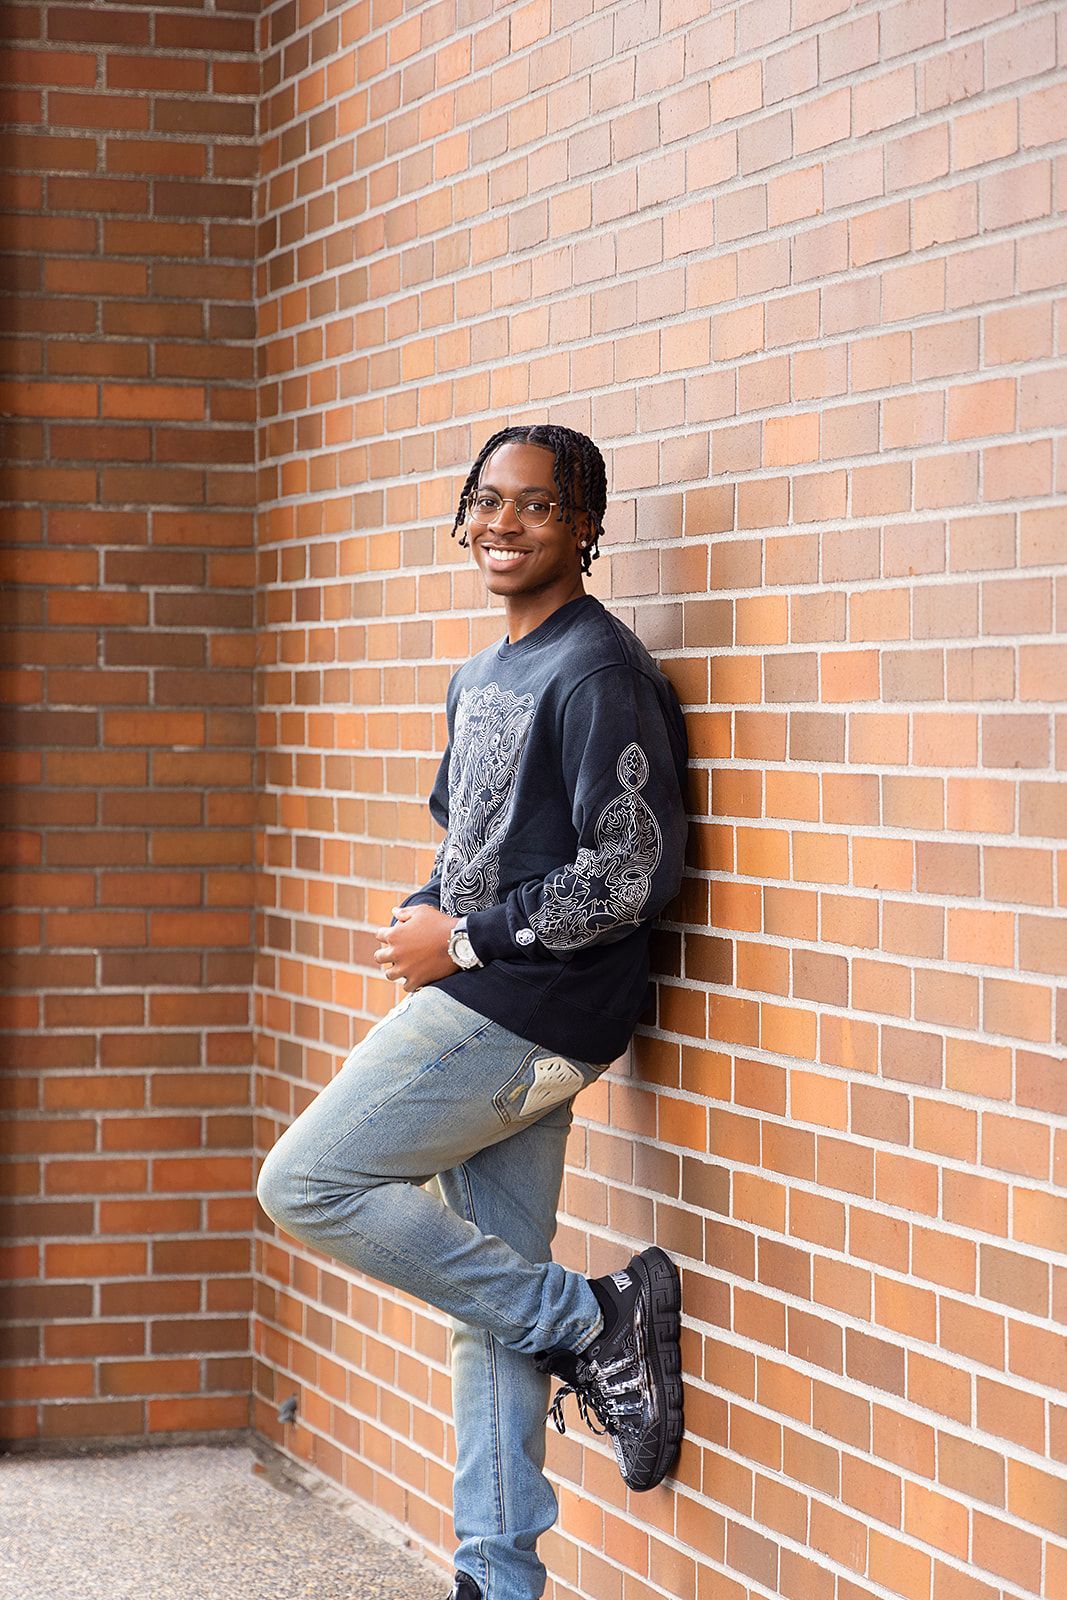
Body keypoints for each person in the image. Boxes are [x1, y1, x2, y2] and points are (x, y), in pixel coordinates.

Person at [256, 423, 691, 1600]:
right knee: (484, 1305)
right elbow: (475, 848)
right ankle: (495, 1580)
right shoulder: (484, 673)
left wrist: (456, 941)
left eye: (536, 505)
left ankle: (590, 1317)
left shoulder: (597, 672)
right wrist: (426, 906)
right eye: (487, 501)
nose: (503, 523)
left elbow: (628, 871)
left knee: (305, 1182)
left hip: (526, 1008)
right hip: (494, 995)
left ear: (583, 526)